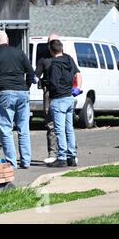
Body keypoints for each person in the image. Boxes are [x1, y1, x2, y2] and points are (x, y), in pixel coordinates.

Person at [0, 31, 35, 169]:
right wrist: (27, 86)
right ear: (8, 40)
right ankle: (26, 161)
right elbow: (30, 71)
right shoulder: (19, 53)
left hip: (5, 92)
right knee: (23, 128)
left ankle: (11, 162)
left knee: (6, 129)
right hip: (22, 92)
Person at [47, 40, 82, 168]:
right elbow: (76, 74)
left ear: (51, 50)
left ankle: (61, 157)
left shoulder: (54, 64)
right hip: (69, 97)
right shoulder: (68, 60)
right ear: (61, 49)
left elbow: (54, 83)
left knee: (59, 130)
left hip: (59, 98)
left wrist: (48, 85)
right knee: (69, 129)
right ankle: (71, 156)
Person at [35, 33, 61, 164]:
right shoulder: (43, 59)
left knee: (65, 125)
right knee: (50, 124)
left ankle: (67, 153)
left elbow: (76, 73)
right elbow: (36, 76)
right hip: (49, 94)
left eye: (55, 41)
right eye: (51, 42)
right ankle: (52, 153)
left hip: (64, 94)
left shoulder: (66, 59)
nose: (52, 44)